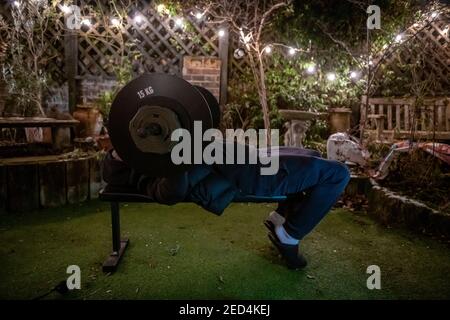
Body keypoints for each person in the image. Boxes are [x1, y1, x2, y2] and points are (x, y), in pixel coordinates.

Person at [102, 143, 350, 269]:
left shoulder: (150, 150)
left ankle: (279, 218)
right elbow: (171, 193)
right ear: (124, 168)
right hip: (247, 175)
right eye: (118, 154)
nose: (127, 146)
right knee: (338, 174)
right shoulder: (148, 177)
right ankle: (290, 234)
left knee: (312, 153)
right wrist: (173, 158)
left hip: (243, 157)